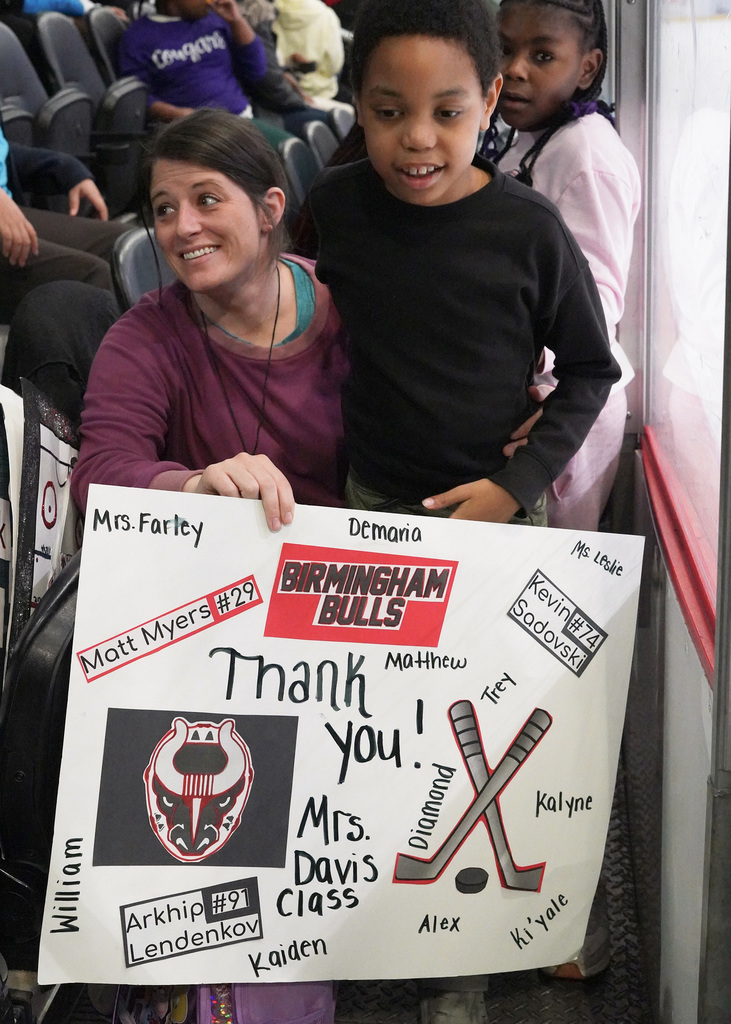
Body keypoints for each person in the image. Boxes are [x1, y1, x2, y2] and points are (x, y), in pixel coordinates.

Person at [308, 0, 619, 535]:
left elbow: (592, 370)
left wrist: (519, 482)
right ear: (358, 104)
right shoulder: (336, 205)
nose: (418, 138)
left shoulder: (532, 230)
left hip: (498, 505)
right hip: (373, 499)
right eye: (390, 112)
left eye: (447, 112)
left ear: (488, 99)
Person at [71, 107, 348, 541]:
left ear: (268, 210)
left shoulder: (349, 305)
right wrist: (192, 486)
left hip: (353, 573)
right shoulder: (142, 337)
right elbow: (98, 477)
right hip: (223, 578)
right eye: (165, 209)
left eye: (207, 200)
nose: (183, 227)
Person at [485, 0, 641, 532]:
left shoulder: (587, 157)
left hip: (561, 406)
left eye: (542, 55)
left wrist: (553, 404)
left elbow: (595, 302)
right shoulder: (534, 139)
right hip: (540, 398)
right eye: (504, 48)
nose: (515, 69)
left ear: (588, 68)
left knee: (549, 577)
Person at [117, 0, 293, 150]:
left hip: (241, 118)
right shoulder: (137, 37)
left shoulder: (215, 20)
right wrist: (181, 115)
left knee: (296, 150)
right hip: (193, 133)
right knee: (289, 154)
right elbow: (137, 98)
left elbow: (257, 70)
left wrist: (236, 20)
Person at [0, 126, 132, 320]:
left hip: (9, 208)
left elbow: (4, 151)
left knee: (126, 245)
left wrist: (68, 170)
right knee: (92, 275)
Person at [273, 0, 352, 105]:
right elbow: (333, 66)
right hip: (317, 92)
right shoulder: (326, 15)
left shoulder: (266, 10)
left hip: (276, 87)